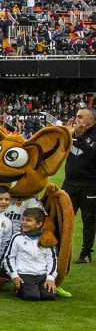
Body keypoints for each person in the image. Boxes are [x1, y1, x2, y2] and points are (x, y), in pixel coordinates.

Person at [1, 207, 58, 301]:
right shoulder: (17, 238)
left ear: (39, 224)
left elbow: (52, 259)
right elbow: (9, 258)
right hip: (25, 274)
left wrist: (50, 278)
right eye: (23, 219)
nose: (24, 222)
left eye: (28, 220)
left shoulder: (47, 238)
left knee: (49, 296)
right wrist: (14, 275)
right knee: (32, 296)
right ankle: (19, 288)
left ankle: (40, 288)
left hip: (42, 275)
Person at [64, 105, 96, 264]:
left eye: (81, 117)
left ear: (91, 119)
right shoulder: (72, 132)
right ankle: (58, 252)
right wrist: (65, 134)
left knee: (88, 220)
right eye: (76, 116)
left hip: (90, 184)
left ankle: (85, 253)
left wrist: (81, 137)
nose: (77, 119)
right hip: (69, 183)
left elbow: (92, 155)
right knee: (62, 217)